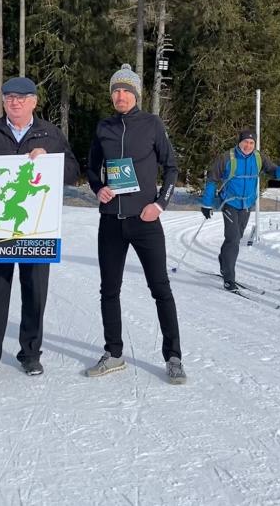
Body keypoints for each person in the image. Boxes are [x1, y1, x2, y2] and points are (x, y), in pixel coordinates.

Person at [0, 77, 80, 380]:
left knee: (35, 293)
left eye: (22, 98)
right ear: (3, 101)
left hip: (37, 228)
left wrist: (50, 159)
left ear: (34, 102)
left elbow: (74, 173)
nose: (15, 102)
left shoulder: (50, 134)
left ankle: (30, 354)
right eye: (10, 97)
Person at [85, 63, 187, 385]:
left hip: (145, 220)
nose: (120, 95)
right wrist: (97, 188)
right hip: (111, 222)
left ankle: (174, 357)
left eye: (126, 90)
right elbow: (91, 168)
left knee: (160, 288)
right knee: (109, 290)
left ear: (136, 95)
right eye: (116, 90)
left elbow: (171, 167)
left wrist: (160, 204)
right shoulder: (103, 127)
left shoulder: (152, 125)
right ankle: (114, 353)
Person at [201, 129, 280, 292]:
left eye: (251, 143)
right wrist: (207, 204)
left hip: (247, 204)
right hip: (229, 202)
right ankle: (229, 278)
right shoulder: (227, 158)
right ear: (239, 142)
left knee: (237, 236)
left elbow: (274, 172)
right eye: (245, 142)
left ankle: (224, 260)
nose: (248, 146)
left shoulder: (259, 157)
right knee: (233, 239)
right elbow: (212, 178)